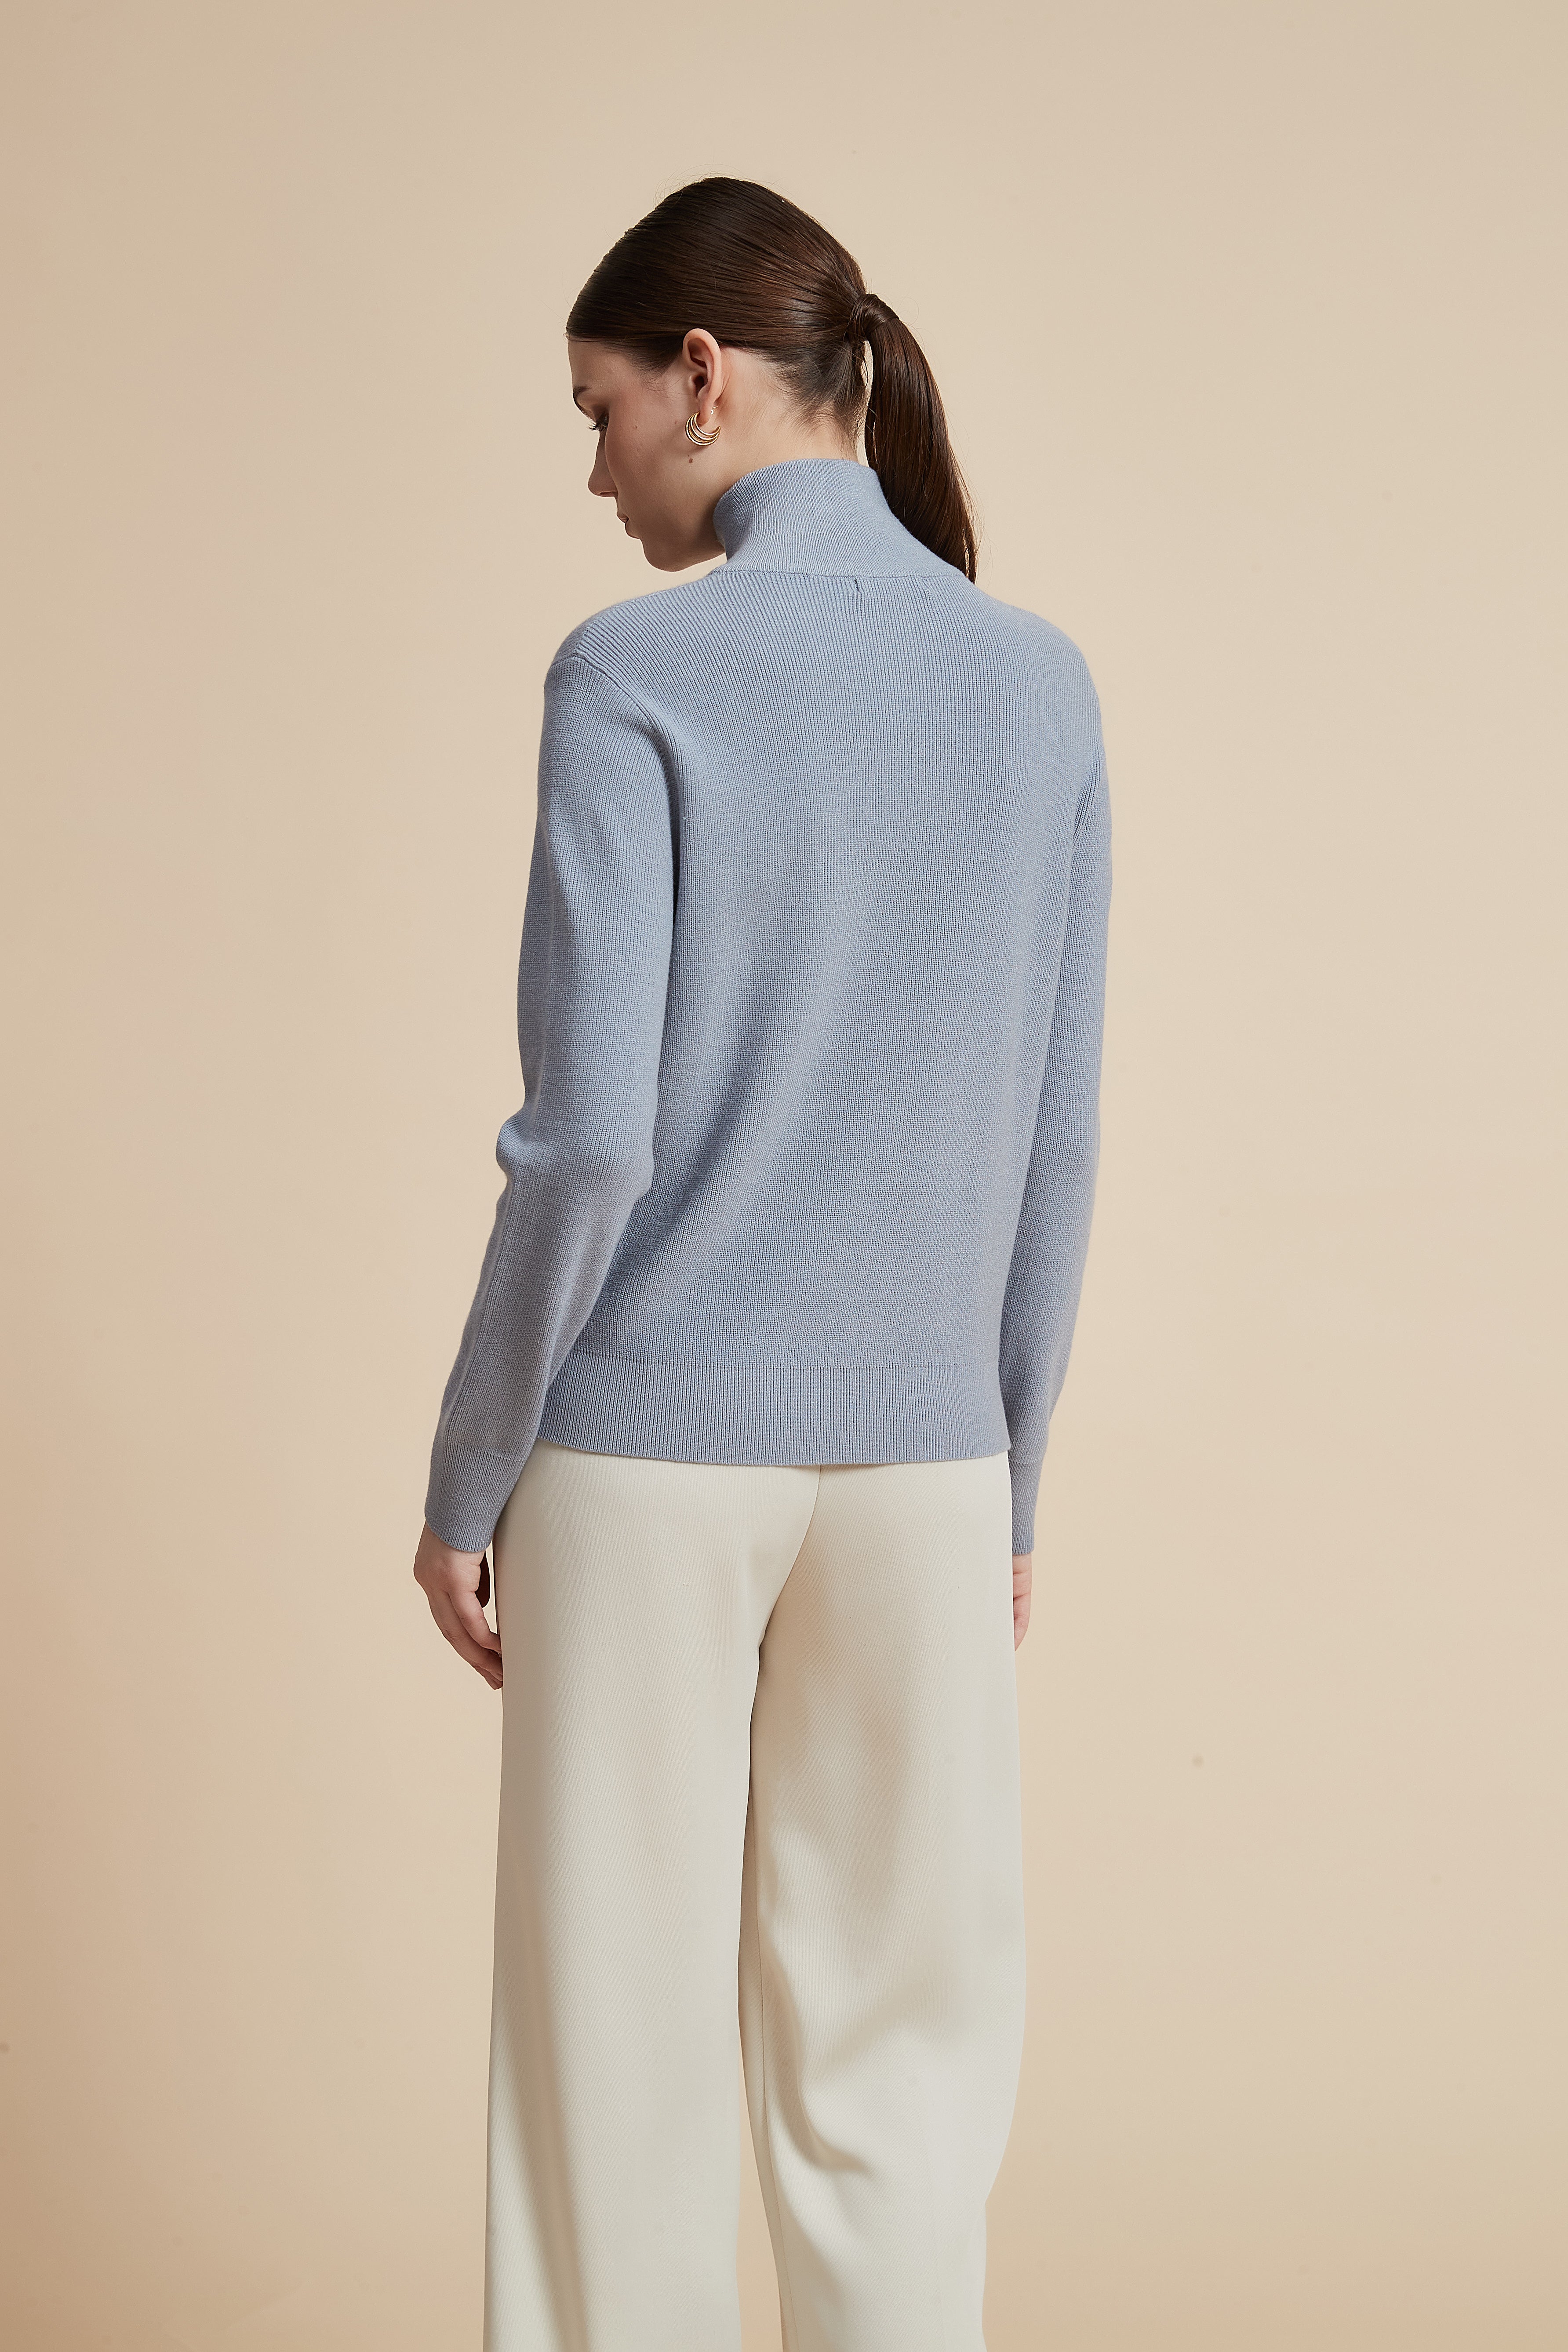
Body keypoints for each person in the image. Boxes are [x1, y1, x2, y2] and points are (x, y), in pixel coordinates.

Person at [412, 174, 1111, 2352]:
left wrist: (464, 1476)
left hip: (642, 1460)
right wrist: (1006, 1479)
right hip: (926, 1471)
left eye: (600, 410)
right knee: (897, 2094)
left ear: (704, 376)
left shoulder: (634, 669)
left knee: (609, 2074)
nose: (595, 469)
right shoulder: (1039, 685)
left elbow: (589, 1139)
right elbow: (1053, 1138)